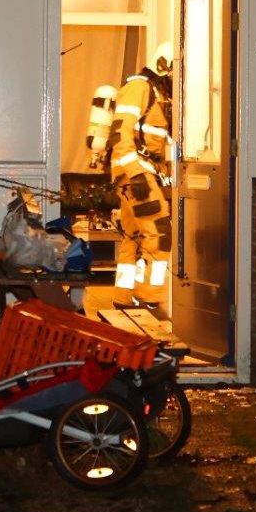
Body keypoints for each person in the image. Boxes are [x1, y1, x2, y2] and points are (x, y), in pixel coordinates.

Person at [108, 56, 175, 328]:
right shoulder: (141, 88)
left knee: (133, 238)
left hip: (136, 173)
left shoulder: (155, 94)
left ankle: (124, 297)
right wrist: (135, 172)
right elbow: (120, 132)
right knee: (160, 234)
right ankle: (148, 299)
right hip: (135, 173)